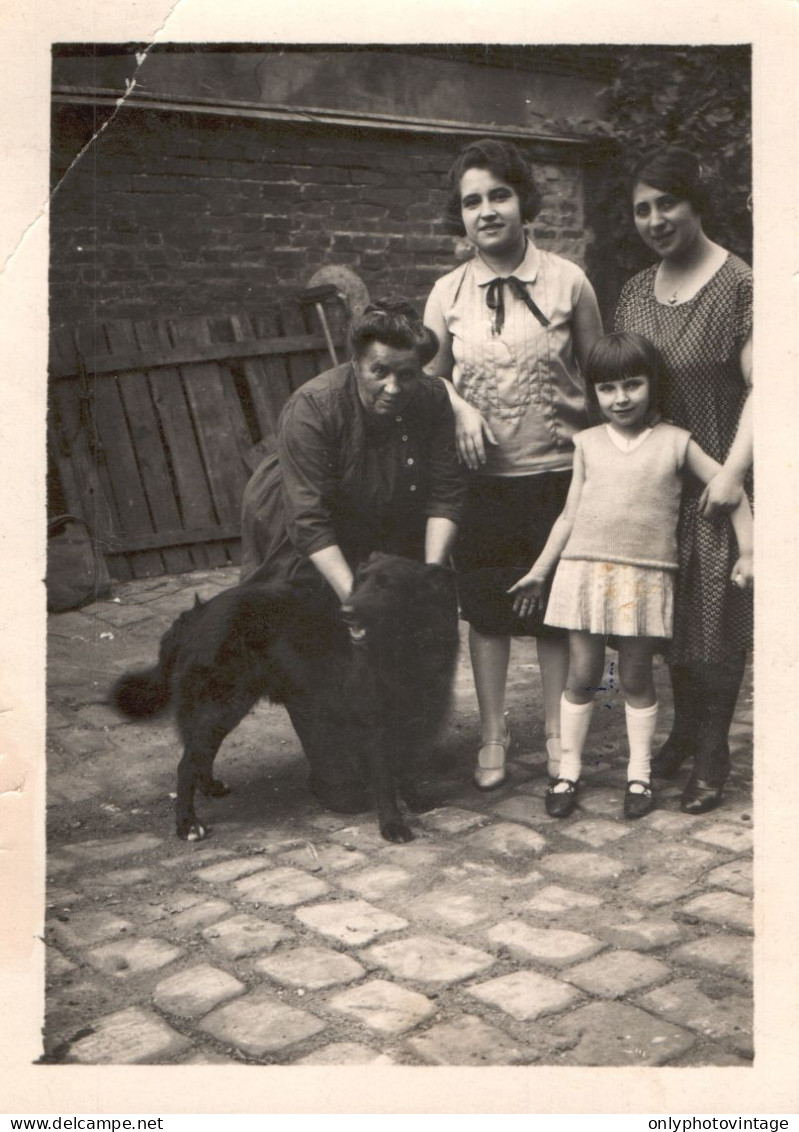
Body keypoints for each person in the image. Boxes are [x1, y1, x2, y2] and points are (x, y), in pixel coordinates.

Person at [508, 332, 754, 819]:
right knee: (583, 675)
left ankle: (639, 775)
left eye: (631, 386)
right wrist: (540, 571)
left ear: (651, 385)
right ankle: (568, 772)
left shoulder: (676, 442)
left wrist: (749, 551)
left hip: (643, 579)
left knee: (637, 678)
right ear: (594, 393)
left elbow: (732, 491)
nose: (620, 399)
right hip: (584, 573)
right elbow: (568, 516)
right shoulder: (587, 444)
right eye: (607, 389)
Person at [424, 138, 603, 790]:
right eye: (472, 201)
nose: (487, 211)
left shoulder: (568, 281)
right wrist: (459, 409)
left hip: (558, 474)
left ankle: (559, 728)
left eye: (498, 195)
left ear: (522, 202)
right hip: (482, 483)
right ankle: (494, 731)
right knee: (488, 611)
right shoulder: (446, 294)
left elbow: (600, 373)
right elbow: (425, 379)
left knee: (554, 611)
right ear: (460, 215)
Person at [240, 300, 465, 810]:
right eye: (379, 372)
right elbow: (308, 519)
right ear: (356, 363)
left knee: (420, 623)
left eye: (405, 374)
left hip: (389, 515)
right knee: (315, 638)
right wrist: (353, 601)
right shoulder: (313, 407)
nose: (393, 387)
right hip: (305, 528)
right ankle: (334, 761)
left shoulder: (430, 401)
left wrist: (427, 577)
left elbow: (445, 493)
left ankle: (400, 753)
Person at [614, 146, 753, 814]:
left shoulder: (740, 286)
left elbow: (771, 388)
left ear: (694, 201)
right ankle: (680, 733)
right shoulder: (635, 292)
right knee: (668, 616)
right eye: (641, 208)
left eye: (664, 203)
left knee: (718, 619)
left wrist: (733, 473)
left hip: (724, 478)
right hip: (658, 480)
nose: (653, 219)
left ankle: (713, 752)